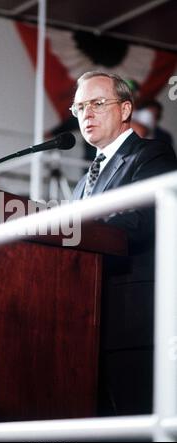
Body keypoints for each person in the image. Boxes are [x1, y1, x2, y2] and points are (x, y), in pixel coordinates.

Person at [71, 70, 177, 417]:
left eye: (98, 103)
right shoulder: (79, 185)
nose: (87, 113)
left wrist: (75, 233)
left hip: (135, 325)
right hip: (87, 328)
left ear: (126, 109)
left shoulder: (152, 156)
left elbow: (139, 222)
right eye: (80, 107)